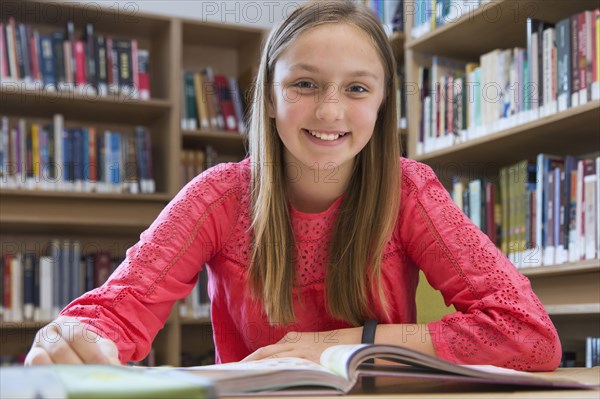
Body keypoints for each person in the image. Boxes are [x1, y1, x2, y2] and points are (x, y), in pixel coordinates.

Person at [25, 0, 561, 371]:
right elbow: (115, 311)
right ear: (271, 96)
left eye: (356, 88)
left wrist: (333, 345)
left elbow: (528, 334)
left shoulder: (409, 190)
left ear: (381, 103)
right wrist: (72, 337)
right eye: (304, 83)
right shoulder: (217, 196)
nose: (330, 110)